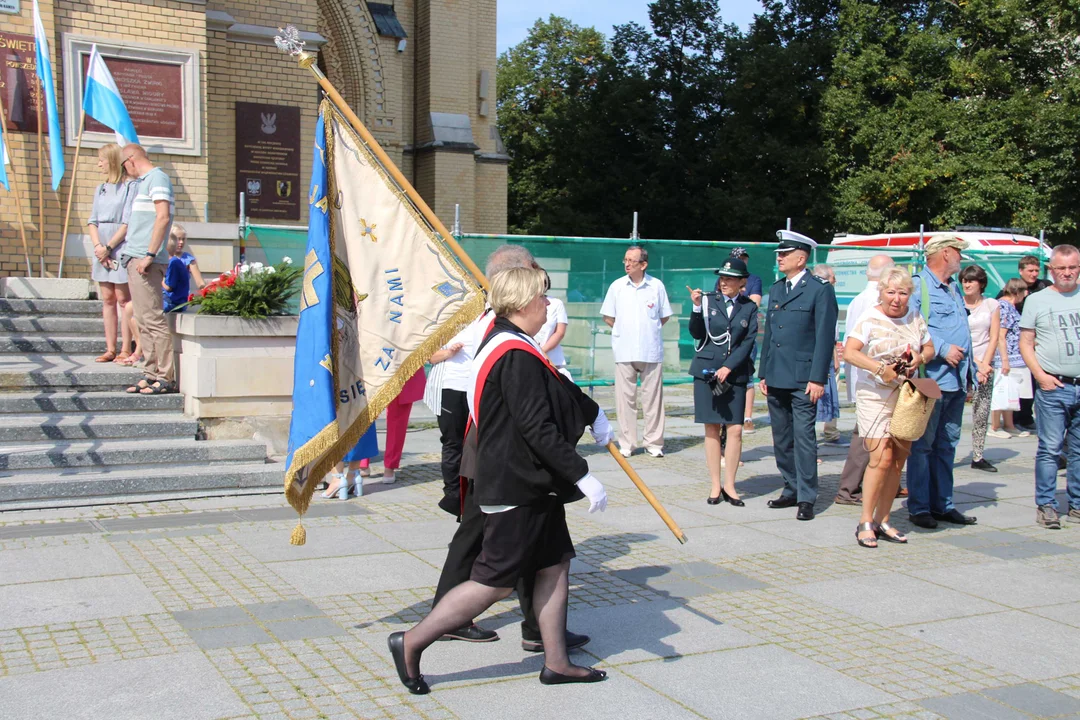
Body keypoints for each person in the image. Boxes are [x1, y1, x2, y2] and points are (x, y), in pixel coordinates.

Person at [388, 267, 610, 694]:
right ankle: (412, 641)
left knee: (553, 564)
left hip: (532, 483)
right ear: (525, 304)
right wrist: (582, 474)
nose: (548, 305)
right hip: (516, 484)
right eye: (543, 299)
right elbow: (537, 428)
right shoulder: (513, 353)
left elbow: (558, 392)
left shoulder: (517, 344)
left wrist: (593, 412)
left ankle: (557, 661)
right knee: (494, 581)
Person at [431, 245, 599, 652]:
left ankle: (539, 629)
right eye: (537, 283)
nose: (545, 295)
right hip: (496, 454)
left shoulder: (509, 331)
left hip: (505, 455)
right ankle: (438, 622)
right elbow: (530, 406)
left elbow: (544, 379)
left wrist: (591, 410)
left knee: (537, 548)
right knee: (482, 544)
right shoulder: (497, 332)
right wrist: (580, 472)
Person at [844, 267, 935, 547]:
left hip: (906, 395)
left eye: (903, 293)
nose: (897, 298)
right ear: (881, 292)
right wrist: (879, 368)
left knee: (897, 459)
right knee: (880, 458)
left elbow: (929, 348)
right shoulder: (870, 316)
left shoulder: (914, 317)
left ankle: (884, 520)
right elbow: (850, 352)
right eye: (891, 292)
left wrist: (918, 357)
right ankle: (865, 520)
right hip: (874, 394)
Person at [759, 230, 839, 521]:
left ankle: (807, 496)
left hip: (804, 378)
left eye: (784, 254)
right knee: (781, 437)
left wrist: (818, 378)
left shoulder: (819, 289)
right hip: (777, 373)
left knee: (804, 437)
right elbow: (770, 333)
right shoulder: (778, 288)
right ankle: (790, 487)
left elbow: (824, 336)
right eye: (779, 254)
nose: (779, 258)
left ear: (801, 258)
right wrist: (763, 372)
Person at [907, 235, 977, 529]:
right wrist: (945, 348)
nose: (962, 259)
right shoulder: (918, 285)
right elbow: (911, 325)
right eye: (959, 253)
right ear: (946, 253)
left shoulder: (953, 288)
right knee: (923, 446)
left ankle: (943, 504)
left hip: (956, 381)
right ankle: (920, 507)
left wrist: (971, 372)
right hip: (931, 380)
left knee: (947, 444)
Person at [1019, 245, 1080, 529]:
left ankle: (1077, 504)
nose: (1067, 273)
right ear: (1051, 270)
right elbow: (1026, 343)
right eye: (1061, 268)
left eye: (1073, 267)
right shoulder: (1037, 300)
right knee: (1050, 449)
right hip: (1054, 386)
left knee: (1079, 451)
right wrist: (1040, 376)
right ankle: (1046, 504)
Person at [688, 257, 757, 506]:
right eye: (722, 277)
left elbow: (748, 341)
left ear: (742, 282)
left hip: (735, 372)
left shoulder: (749, 307)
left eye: (730, 278)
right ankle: (715, 485)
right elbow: (697, 333)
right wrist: (696, 308)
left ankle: (730, 485)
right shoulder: (708, 301)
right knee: (712, 428)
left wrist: (729, 366)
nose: (724, 282)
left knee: (735, 428)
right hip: (707, 370)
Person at [600, 245, 673, 458]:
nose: (627, 264)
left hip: (651, 350)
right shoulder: (617, 286)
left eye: (632, 260)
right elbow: (608, 316)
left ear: (644, 264)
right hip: (624, 350)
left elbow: (664, 316)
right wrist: (624, 331)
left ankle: (654, 444)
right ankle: (627, 443)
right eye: (625, 260)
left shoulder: (656, 286)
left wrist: (647, 330)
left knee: (653, 400)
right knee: (625, 401)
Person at [835, 254, 896, 505]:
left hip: (865, 375)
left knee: (870, 433)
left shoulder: (860, 298)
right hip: (876, 377)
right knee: (867, 435)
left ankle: (861, 485)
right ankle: (850, 488)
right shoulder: (876, 301)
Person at [119, 144, 177, 395]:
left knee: (153, 319)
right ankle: (150, 372)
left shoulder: (157, 178)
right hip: (135, 257)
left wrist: (150, 254)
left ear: (131, 160)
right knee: (142, 319)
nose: (124, 171)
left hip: (146, 260)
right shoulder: (142, 183)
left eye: (123, 165)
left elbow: (162, 217)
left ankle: (165, 376)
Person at [88, 143, 135, 363]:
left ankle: (126, 348)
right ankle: (110, 348)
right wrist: (99, 247)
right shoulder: (101, 189)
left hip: (120, 246)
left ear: (113, 161)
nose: (98, 164)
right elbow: (92, 221)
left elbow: (127, 222)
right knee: (107, 298)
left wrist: (109, 248)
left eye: (101, 160)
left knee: (123, 298)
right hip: (101, 249)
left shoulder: (129, 187)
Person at [960, 265, 1000, 471]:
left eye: (971, 280)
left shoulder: (991, 305)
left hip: (985, 363)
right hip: (962, 362)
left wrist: (985, 364)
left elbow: (994, 336)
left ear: (981, 283)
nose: (966, 284)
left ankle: (978, 455)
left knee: (981, 410)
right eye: (964, 280)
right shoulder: (957, 303)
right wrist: (975, 364)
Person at [357, 369, 426, 483]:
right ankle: (363, 462)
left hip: (400, 366)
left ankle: (389, 466)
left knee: (397, 419)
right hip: (375, 364)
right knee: (366, 414)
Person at [1013, 255, 1053, 431]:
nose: (1034, 274)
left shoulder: (1044, 286)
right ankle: (1018, 417)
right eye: (1030, 270)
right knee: (1022, 381)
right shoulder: (1013, 287)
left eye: (1037, 270)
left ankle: (1029, 417)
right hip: (1023, 342)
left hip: (1043, 342)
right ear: (1021, 271)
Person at [991, 278, 1031, 438]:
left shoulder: (1009, 306)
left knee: (1011, 393)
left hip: (1014, 357)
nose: (1025, 294)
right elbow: (1001, 335)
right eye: (1023, 291)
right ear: (1016, 292)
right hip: (1005, 357)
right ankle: (994, 426)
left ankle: (1009, 424)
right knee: (1000, 392)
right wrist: (1005, 359)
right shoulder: (1004, 306)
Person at [729, 247, 762, 433]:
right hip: (727, 337)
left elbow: (754, 303)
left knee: (748, 376)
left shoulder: (754, 279)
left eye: (744, 258)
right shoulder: (723, 279)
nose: (742, 260)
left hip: (746, 334)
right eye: (738, 258)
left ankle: (747, 417)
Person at [811, 264, 843, 448]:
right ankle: (812, 441)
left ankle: (829, 433)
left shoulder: (828, 295)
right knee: (819, 399)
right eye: (833, 277)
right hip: (820, 356)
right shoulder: (821, 296)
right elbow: (824, 332)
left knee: (827, 398)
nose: (835, 281)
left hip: (828, 353)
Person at [535, 270, 570, 375]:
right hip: (529, 357)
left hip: (553, 360)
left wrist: (541, 350)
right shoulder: (523, 304)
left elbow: (560, 332)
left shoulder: (556, 303)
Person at [170, 223, 205, 290]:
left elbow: (200, 282)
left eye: (183, 239)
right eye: (178, 239)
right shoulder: (163, 256)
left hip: (181, 298)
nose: (181, 242)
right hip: (164, 297)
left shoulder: (188, 258)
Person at [162, 232, 190, 313]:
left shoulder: (173, 263)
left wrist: (160, 277)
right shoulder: (175, 261)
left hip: (174, 303)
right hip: (174, 301)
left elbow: (168, 288)